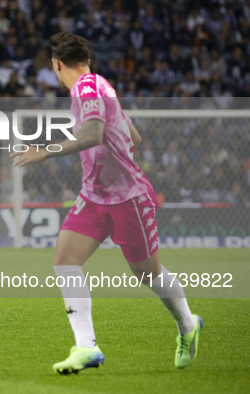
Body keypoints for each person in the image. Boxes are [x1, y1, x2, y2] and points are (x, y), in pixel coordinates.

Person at [12, 32, 201, 374]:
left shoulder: (86, 87)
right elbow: (134, 136)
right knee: (66, 259)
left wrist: (44, 151)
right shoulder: (101, 86)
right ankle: (86, 347)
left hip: (128, 198)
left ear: (57, 65)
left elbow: (94, 134)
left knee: (148, 272)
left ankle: (188, 325)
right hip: (94, 195)